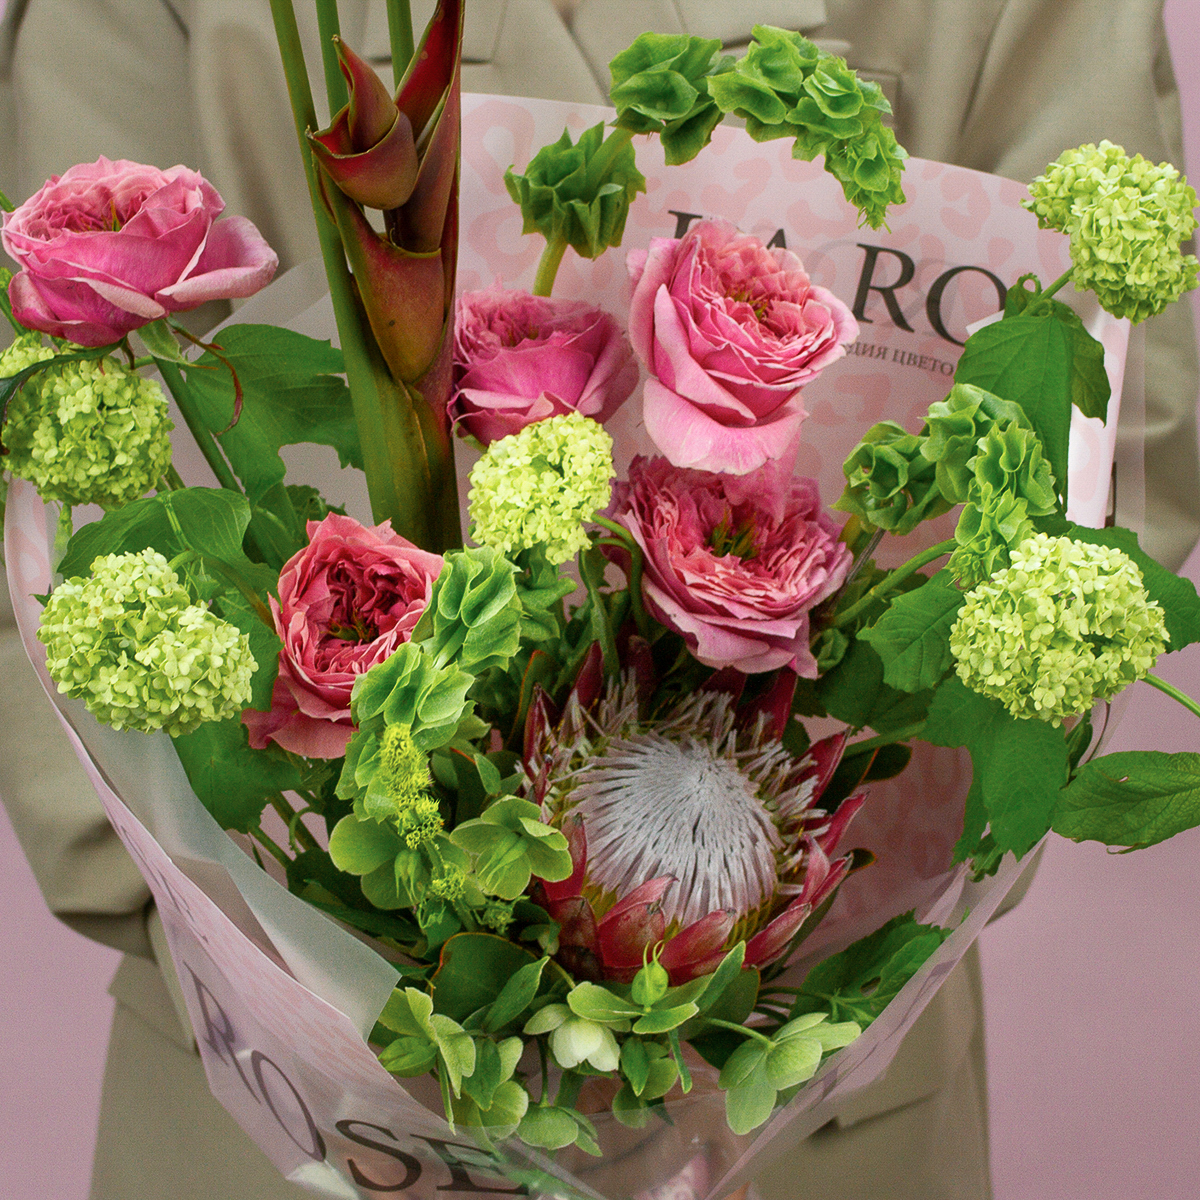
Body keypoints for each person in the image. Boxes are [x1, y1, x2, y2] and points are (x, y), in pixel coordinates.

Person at [0, 2, 1195, 1198]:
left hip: (805, 1111)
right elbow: (41, 467)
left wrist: (750, 1005)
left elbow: (1115, 444)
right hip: (284, 1097)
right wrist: (323, 1002)